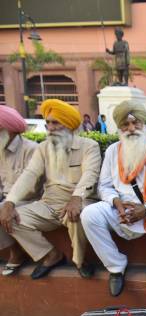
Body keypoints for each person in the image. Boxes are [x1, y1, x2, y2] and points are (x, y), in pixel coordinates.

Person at [81, 101, 146, 296]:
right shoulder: (112, 151)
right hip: (122, 209)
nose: (131, 128)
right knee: (89, 214)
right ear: (119, 128)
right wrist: (117, 204)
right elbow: (105, 186)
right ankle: (116, 267)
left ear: (144, 124)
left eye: (136, 123)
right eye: (125, 125)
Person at [0, 99, 101, 279]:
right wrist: (10, 202)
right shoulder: (43, 148)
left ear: (69, 124)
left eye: (55, 122)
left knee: (77, 216)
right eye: (47, 123)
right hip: (48, 203)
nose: (50, 127)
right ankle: (51, 254)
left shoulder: (89, 146)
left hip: (79, 200)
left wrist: (77, 197)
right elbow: (29, 174)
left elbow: (90, 174)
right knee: (12, 218)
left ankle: (79, 260)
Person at [0, 105, 39, 275]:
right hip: (5, 199)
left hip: (29, 199)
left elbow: (32, 186)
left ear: (9, 130)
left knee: (3, 209)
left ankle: (16, 253)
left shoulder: (32, 149)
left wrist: (10, 202)